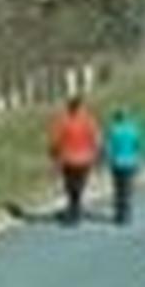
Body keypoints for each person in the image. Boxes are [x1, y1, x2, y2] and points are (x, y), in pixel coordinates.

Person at [47, 93, 101, 225]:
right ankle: (76, 207)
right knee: (79, 184)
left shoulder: (63, 122)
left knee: (70, 185)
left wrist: (53, 155)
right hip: (84, 158)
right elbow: (96, 139)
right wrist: (98, 154)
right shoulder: (89, 121)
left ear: (69, 108)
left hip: (68, 159)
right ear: (81, 107)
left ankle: (73, 208)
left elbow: (55, 141)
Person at [104, 107, 145, 227]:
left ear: (117, 118)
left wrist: (107, 159)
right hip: (130, 162)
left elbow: (109, 147)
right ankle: (127, 212)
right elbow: (138, 145)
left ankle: (119, 213)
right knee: (128, 188)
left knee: (118, 188)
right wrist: (139, 159)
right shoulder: (133, 129)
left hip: (116, 163)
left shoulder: (113, 130)